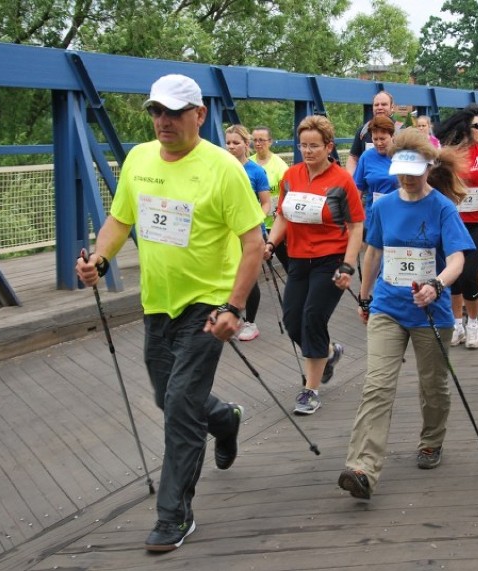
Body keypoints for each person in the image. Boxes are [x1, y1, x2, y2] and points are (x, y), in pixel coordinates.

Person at [76, 74, 264, 551]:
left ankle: (173, 514)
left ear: (199, 115)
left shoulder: (223, 169)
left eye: (175, 112)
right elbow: (121, 219)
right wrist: (99, 258)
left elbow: (253, 244)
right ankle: (224, 420)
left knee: (179, 407)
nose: (163, 121)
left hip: (208, 305)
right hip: (157, 303)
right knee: (169, 397)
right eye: (156, 112)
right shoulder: (139, 159)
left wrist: (235, 307)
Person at [338, 128, 473, 500]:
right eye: (401, 171)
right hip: (388, 306)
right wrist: (365, 298)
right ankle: (362, 467)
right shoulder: (382, 206)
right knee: (377, 384)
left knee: (432, 386)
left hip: (431, 310)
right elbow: (373, 252)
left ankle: (431, 440)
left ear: (429, 167)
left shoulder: (443, 207)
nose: (407, 178)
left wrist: (437, 284)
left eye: (414, 171)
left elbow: (458, 257)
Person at [264, 115, 365, 414]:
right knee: (293, 321)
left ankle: (311, 390)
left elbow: (356, 226)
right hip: (297, 259)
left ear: (329, 146)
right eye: (303, 145)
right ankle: (330, 352)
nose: (308, 151)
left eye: (314, 146)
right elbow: (282, 215)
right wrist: (270, 243)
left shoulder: (341, 180)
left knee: (312, 318)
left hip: (330, 261)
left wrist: (348, 266)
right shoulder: (291, 176)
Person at [435, 105, 478, 349]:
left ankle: (472, 322)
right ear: (465, 129)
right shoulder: (447, 154)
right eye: (477, 126)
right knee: (452, 276)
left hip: (477, 222)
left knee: (469, 274)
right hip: (453, 221)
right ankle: (456, 324)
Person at [225, 124, 272, 341]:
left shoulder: (256, 171)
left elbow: (265, 204)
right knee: (228, 276)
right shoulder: (222, 169)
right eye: (228, 143)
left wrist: (253, 223)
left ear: (246, 144)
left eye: (236, 143)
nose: (231, 147)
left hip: (250, 233)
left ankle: (250, 323)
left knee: (249, 278)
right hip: (228, 234)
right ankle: (231, 317)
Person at [251, 126, 291, 270]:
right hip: (255, 224)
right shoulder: (248, 164)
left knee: (288, 264)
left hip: (275, 224)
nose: (257, 143)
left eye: (261, 140)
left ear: (270, 141)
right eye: (254, 140)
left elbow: (288, 194)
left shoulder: (280, 165)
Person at [353, 115, 398, 232]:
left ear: (392, 136)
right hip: (374, 218)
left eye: (383, 139)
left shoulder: (402, 156)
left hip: (398, 217)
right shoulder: (366, 157)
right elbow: (357, 189)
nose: (378, 143)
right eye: (375, 139)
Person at [346, 90, 395, 175]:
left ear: (392, 107)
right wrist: (352, 180)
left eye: (384, 104)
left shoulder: (401, 131)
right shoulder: (363, 131)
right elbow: (353, 158)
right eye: (376, 105)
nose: (379, 107)